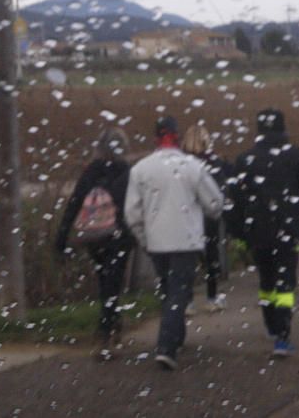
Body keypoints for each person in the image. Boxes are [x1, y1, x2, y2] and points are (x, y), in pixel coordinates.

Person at [124, 115, 224, 371]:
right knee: (179, 292)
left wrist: (146, 238)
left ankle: (176, 339)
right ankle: (167, 347)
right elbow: (215, 204)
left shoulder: (140, 169)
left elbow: (132, 214)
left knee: (169, 291)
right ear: (177, 136)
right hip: (186, 240)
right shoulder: (192, 167)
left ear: (156, 138)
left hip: (157, 242)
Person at [227, 107, 299, 357]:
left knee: (266, 280)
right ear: (284, 130)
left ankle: (271, 325)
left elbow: (234, 201)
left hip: (257, 232)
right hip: (289, 230)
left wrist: (239, 233)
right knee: (286, 282)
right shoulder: (298, 156)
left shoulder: (244, 160)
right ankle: (283, 337)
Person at [55, 127, 133, 360]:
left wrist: (62, 236)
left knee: (104, 278)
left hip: (93, 236)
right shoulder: (127, 172)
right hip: (119, 234)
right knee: (114, 280)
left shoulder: (91, 171)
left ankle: (112, 322)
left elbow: (75, 202)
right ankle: (106, 332)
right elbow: (135, 204)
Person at [181, 123, 230, 314]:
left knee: (189, 258)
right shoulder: (214, 163)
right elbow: (220, 189)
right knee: (211, 256)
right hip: (208, 216)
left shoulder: (182, 162)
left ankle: (188, 301)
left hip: (187, 216)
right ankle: (211, 297)